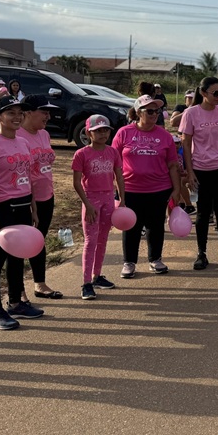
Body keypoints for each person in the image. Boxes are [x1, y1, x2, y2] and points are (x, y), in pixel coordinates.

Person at [0, 96, 43, 330]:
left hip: (22, 206)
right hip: (0, 209)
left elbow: (28, 179)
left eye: (20, 113)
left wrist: (33, 207)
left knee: (18, 258)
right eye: (10, 113)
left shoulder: (23, 143)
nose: (17, 117)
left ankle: (16, 303)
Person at [111, 94, 180, 278]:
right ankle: (129, 262)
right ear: (138, 113)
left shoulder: (164, 136)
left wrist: (177, 188)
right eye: (149, 111)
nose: (154, 114)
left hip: (159, 189)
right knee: (131, 226)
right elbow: (114, 162)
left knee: (155, 225)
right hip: (130, 189)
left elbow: (172, 165)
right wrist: (114, 187)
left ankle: (155, 259)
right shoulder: (124, 133)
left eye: (157, 111)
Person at [180, 77, 218, 269]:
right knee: (203, 214)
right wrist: (189, 172)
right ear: (203, 93)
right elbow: (186, 144)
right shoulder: (191, 113)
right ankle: (201, 253)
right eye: (215, 93)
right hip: (201, 169)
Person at [72, 115, 125, 299]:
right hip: (91, 200)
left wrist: (122, 200)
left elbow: (119, 176)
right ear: (88, 133)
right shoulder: (82, 154)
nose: (103, 134)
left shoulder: (112, 152)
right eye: (98, 131)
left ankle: (97, 276)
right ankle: (86, 283)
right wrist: (87, 204)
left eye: (106, 130)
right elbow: (77, 183)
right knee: (90, 241)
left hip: (109, 199)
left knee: (103, 239)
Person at [18, 94, 63, 300]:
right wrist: (31, 202)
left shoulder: (43, 134)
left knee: (38, 241)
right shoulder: (17, 136)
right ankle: (18, 291)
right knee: (19, 245)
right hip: (25, 199)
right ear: (27, 112)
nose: (48, 116)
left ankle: (40, 283)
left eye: (49, 112)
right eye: (44, 112)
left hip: (47, 195)